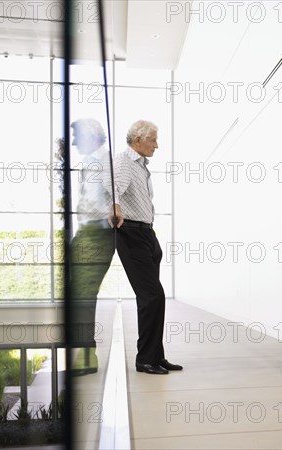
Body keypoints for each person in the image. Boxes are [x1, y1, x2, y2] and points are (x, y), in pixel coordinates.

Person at [108, 120, 182, 375]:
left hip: (146, 234)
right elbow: (113, 188)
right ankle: (145, 360)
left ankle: (156, 356)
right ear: (138, 139)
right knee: (153, 296)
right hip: (130, 234)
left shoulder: (140, 166)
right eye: (153, 140)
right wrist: (116, 207)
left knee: (153, 300)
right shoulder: (124, 162)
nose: (157, 145)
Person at [69, 118, 115, 376]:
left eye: (77, 136)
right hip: (84, 232)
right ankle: (83, 354)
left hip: (98, 233)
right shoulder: (87, 163)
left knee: (84, 296)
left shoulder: (107, 163)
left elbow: (118, 197)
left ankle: (87, 359)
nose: (74, 141)